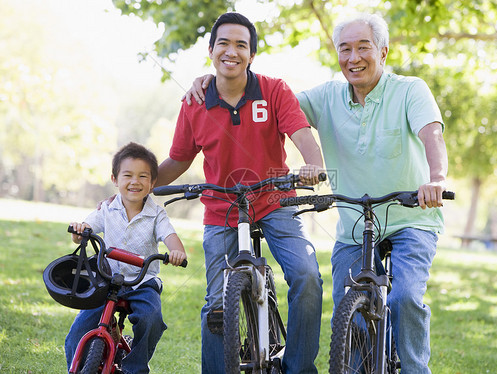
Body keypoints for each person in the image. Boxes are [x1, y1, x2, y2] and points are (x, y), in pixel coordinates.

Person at [185, 13, 448, 374]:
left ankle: (416, 370)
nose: (353, 57)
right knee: (347, 307)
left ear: (383, 52)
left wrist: (436, 178)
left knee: (404, 298)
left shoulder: (410, 89)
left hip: (410, 217)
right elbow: (263, 101)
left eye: (363, 48)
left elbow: (431, 134)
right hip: (356, 222)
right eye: (345, 49)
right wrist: (216, 80)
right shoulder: (326, 96)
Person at [156, 12, 324, 374]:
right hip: (222, 209)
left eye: (241, 45)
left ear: (251, 55)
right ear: (211, 49)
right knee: (216, 302)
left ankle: (297, 367)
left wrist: (314, 163)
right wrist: (138, 182)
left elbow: (301, 132)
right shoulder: (194, 102)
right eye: (224, 43)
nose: (231, 51)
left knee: (307, 276)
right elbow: (178, 159)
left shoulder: (273, 90)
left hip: (276, 201)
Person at [65, 142, 187, 374]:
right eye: (128, 175)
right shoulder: (107, 209)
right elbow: (86, 230)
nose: (135, 181)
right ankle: (77, 367)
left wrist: (176, 252)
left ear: (152, 183)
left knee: (151, 318)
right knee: (78, 332)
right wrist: (80, 230)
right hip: (106, 279)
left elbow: (170, 236)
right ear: (115, 179)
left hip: (141, 282)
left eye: (143, 176)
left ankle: (136, 366)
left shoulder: (157, 214)